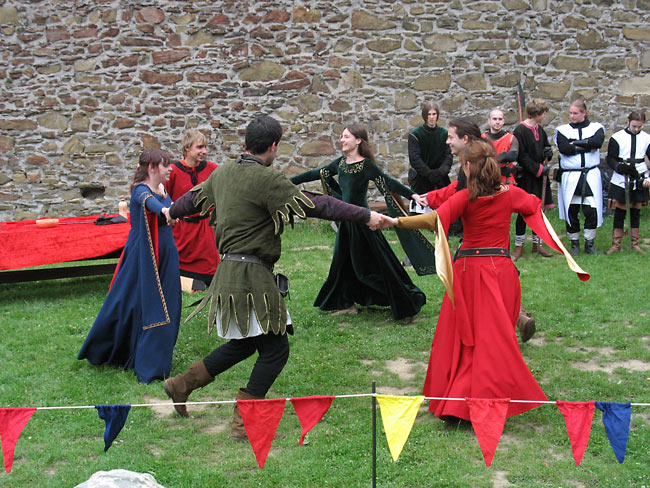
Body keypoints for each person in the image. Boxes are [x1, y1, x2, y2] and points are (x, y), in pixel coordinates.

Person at [162, 115, 384, 440]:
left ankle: (182, 384)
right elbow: (317, 204)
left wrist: (170, 211)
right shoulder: (266, 179)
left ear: (247, 142)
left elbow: (191, 199)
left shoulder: (222, 173)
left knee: (246, 343)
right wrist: (365, 215)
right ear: (274, 145)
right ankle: (243, 422)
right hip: (251, 276)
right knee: (276, 349)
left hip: (229, 273)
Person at [378, 140, 589, 421]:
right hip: (501, 272)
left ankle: (462, 403)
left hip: (469, 272)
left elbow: (434, 220)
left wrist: (397, 222)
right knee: (494, 339)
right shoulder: (510, 194)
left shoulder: (466, 197)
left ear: (467, 167)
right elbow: (533, 205)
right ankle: (477, 400)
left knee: (467, 338)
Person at [290, 123, 427, 322]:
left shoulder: (366, 166)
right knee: (342, 264)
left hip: (364, 224)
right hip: (346, 223)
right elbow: (316, 173)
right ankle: (347, 304)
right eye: (341, 136)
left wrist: (412, 195)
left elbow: (388, 182)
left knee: (372, 268)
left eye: (346, 136)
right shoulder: (340, 163)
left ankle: (407, 302)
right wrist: (287, 183)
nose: (342, 140)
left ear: (358, 140)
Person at [428, 117, 536, 342]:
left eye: (451, 137)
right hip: (492, 239)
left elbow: (459, 194)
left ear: (465, 139)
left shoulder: (475, 162)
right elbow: (456, 192)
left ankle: (510, 321)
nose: (448, 141)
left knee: (483, 283)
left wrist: (426, 202)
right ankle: (517, 319)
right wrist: (430, 197)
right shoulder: (478, 158)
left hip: (482, 236)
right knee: (497, 276)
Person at [78, 149, 181, 384]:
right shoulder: (140, 190)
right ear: (152, 167)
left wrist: (176, 212)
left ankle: (154, 355)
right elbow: (150, 203)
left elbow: (168, 210)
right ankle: (138, 359)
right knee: (132, 303)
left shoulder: (163, 189)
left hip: (166, 254)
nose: (170, 168)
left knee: (168, 302)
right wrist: (166, 210)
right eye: (165, 165)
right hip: (143, 256)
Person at [164, 129, 219, 291]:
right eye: (199, 147)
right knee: (175, 269)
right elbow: (164, 198)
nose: (204, 151)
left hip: (204, 230)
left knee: (212, 271)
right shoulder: (173, 171)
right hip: (181, 231)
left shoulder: (213, 169)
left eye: (205, 147)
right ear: (187, 148)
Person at [555, 98, 605, 255]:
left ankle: (589, 243)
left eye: (575, 113)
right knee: (572, 209)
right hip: (571, 175)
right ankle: (574, 243)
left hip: (590, 174)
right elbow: (564, 149)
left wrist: (574, 144)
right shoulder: (562, 130)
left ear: (584, 113)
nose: (572, 116)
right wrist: (586, 145)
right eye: (570, 113)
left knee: (591, 210)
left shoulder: (596, 128)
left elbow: (597, 142)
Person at [512, 99, 554, 259]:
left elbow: (544, 149)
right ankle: (519, 246)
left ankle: (538, 244)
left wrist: (547, 153)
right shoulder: (520, 131)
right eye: (543, 113)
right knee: (523, 212)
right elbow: (521, 156)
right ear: (537, 113)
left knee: (539, 212)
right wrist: (539, 169)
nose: (545, 116)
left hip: (539, 179)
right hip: (526, 178)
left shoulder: (540, 130)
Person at [605, 109, 650, 254]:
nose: (636, 129)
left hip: (639, 177)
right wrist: (618, 167)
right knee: (619, 211)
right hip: (621, 178)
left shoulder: (647, 138)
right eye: (634, 126)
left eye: (639, 127)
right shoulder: (617, 138)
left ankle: (634, 244)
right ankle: (616, 245)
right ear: (628, 121)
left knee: (636, 211)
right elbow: (610, 158)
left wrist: (649, 178)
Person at [407, 101, 453, 208]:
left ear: (437, 115)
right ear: (425, 116)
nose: (432, 117)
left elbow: (448, 156)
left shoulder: (444, 134)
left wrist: (440, 172)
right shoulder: (415, 135)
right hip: (421, 180)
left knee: (445, 209)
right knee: (420, 211)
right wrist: (429, 174)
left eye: (434, 114)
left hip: (441, 179)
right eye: (429, 114)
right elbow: (415, 159)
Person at [482, 108, 519, 185]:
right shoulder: (481, 138)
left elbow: (513, 156)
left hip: (505, 179)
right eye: (494, 119)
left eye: (500, 119)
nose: (497, 122)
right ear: (489, 121)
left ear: (503, 121)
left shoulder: (511, 138)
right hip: (486, 178)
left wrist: (501, 157)